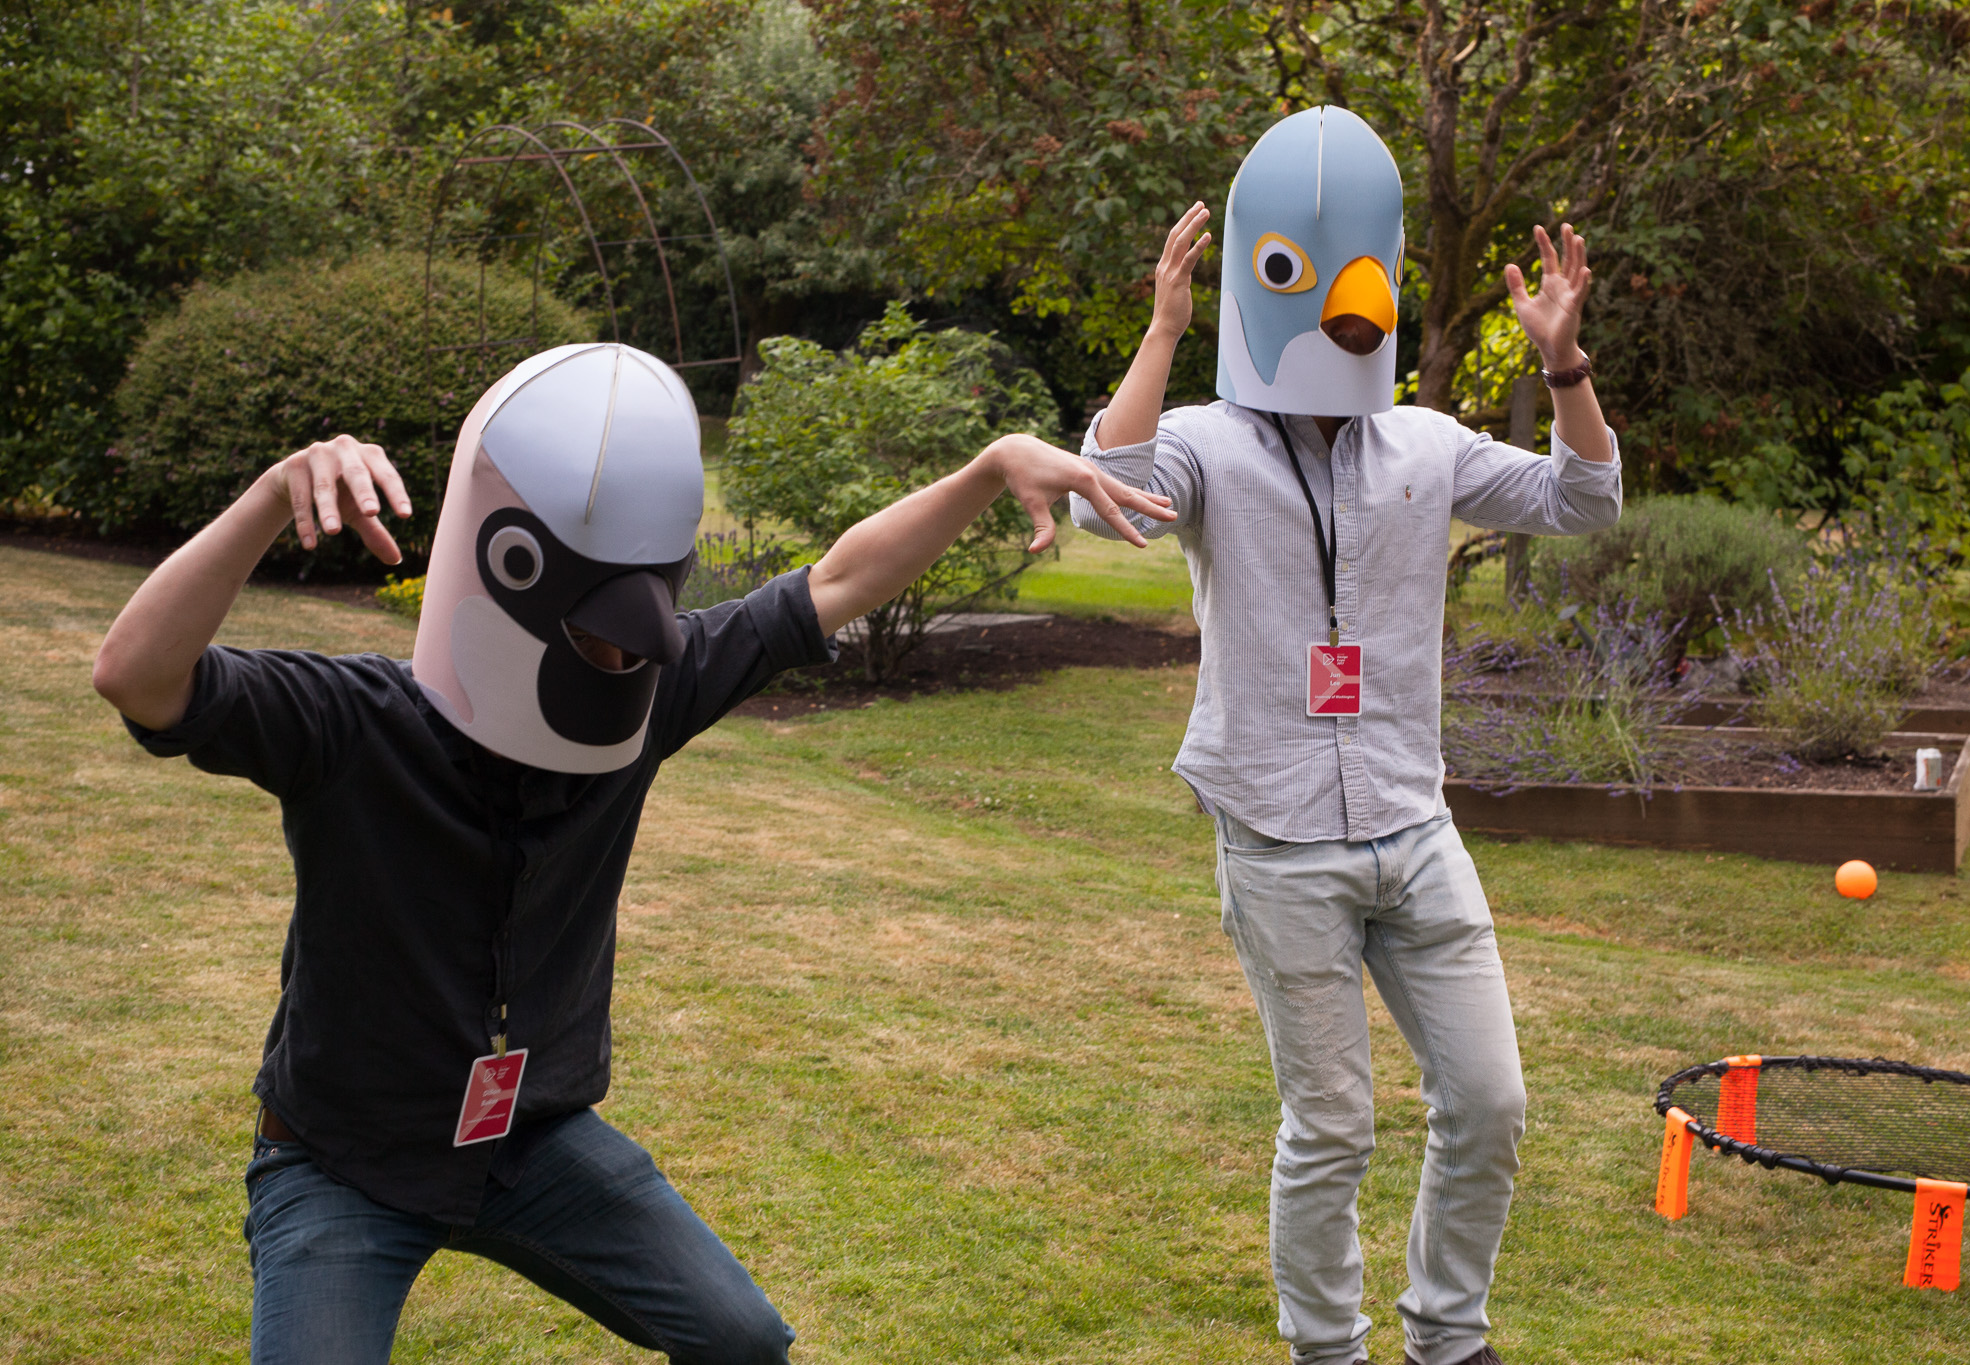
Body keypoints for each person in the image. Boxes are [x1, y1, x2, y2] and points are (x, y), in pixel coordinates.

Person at [90, 340, 1172, 1364]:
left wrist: (986, 469)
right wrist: (272, 496)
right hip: (342, 1160)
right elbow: (136, 677)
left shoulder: (651, 690)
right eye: (594, 636)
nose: (619, 662)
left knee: (741, 1339)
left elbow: (835, 584)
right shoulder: (351, 724)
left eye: (635, 637)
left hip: (528, 1141)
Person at [1068, 107, 1622, 1365]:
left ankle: (1446, 1338)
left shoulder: (1424, 443)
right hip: (1278, 841)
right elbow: (1110, 500)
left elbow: (1583, 499)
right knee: (1331, 1128)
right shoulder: (1208, 444)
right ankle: (1327, 1352)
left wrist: (1563, 367)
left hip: (1412, 830)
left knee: (1488, 1101)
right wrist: (1163, 330)